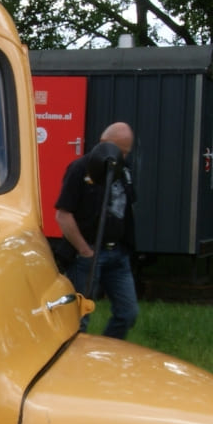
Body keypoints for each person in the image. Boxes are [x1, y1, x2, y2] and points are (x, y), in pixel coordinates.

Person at [53, 121, 139, 340]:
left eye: (126, 153)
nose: (123, 157)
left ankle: (108, 350)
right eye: (120, 151)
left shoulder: (123, 171)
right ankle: (76, 361)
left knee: (128, 313)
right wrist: (84, 250)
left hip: (118, 255)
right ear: (104, 144)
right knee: (79, 318)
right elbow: (63, 214)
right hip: (89, 254)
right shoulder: (80, 169)